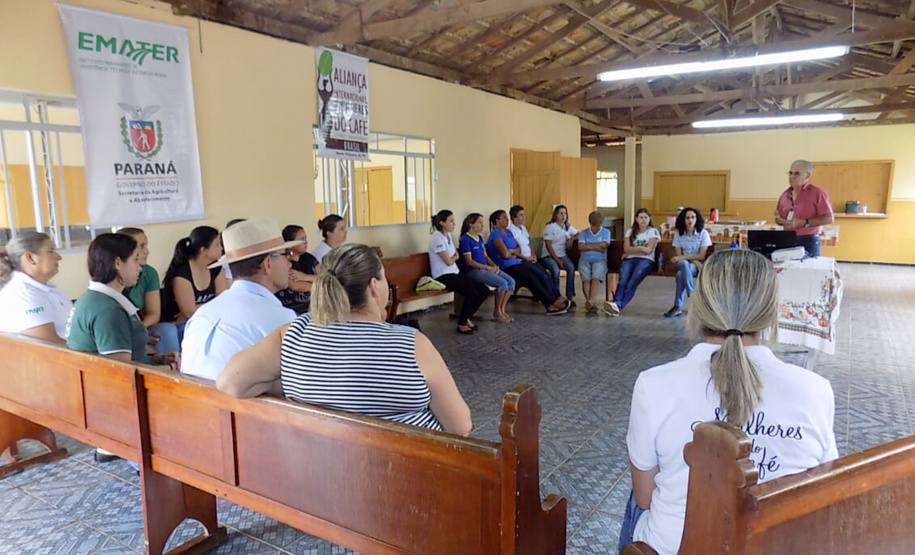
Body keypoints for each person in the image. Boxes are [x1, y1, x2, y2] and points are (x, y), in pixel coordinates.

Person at [620, 249, 838, 555]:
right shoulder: (815, 390)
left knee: (638, 496)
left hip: (677, 548)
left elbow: (645, 497)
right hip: (776, 546)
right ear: (770, 312)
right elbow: (823, 491)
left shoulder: (653, 384)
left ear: (700, 306)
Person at [216, 244, 472, 435]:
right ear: (374, 286)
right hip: (402, 479)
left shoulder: (293, 333)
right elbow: (460, 426)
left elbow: (229, 382)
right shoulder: (412, 345)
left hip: (321, 478)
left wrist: (295, 383)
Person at [68, 233, 179, 464]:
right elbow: (120, 374)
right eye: (135, 260)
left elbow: (125, 355)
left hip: (98, 389)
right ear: (118, 263)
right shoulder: (107, 310)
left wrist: (158, 359)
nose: (140, 267)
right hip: (113, 403)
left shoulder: (97, 298)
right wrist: (170, 370)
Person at [181, 218, 300, 382]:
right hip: (239, 400)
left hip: (188, 397)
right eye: (286, 255)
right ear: (268, 264)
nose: (290, 263)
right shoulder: (281, 319)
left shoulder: (203, 313)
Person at [487, 210, 568, 316]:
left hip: (516, 262)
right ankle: (549, 304)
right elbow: (505, 255)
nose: (507, 220)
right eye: (504, 218)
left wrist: (512, 251)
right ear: (497, 221)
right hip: (506, 266)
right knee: (532, 278)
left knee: (540, 274)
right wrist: (513, 252)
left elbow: (519, 248)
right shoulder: (495, 234)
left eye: (507, 217)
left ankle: (555, 299)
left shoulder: (508, 232)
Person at [160, 226, 228, 342]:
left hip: (207, 320)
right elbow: (190, 313)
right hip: (180, 325)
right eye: (217, 244)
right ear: (204, 250)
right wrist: (213, 305)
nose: (221, 248)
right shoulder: (182, 273)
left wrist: (198, 307)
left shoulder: (216, 267)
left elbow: (224, 301)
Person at [0, 232, 71, 344]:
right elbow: (50, 345)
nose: (59, 257)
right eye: (50, 251)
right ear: (30, 258)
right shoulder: (23, 294)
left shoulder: (48, 288)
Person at [118, 227, 180, 353]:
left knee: (167, 330)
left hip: (141, 326)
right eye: (141, 246)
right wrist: (136, 335)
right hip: (119, 332)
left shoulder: (149, 273)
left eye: (146, 245)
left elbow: (154, 314)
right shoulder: (111, 277)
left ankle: (174, 362)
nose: (147, 251)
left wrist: (140, 330)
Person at [429, 210, 490, 334]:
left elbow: (454, 256)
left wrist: (454, 257)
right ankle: (462, 323)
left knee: (484, 290)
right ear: (442, 223)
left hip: (454, 272)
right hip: (443, 275)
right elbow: (448, 261)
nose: (454, 224)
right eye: (451, 221)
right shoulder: (437, 238)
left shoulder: (448, 236)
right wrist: (454, 257)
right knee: (471, 292)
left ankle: (466, 317)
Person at [460, 213, 515, 323]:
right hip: (475, 271)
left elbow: (485, 255)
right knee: (502, 283)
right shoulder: (465, 239)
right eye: (480, 223)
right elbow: (469, 262)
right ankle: (497, 312)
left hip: (485, 268)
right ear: (471, 224)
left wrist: (493, 265)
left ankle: (502, 310)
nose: (482, 225)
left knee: (511, 281)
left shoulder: (479, 238)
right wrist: (488, 268)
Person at [604, 209, 660, 316]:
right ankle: (616, 303)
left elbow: (648, 250)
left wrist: (633, 250)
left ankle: (618, 305)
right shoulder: (630, 231)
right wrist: (641, 249)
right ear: (636, 219)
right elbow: (626, 248)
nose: (643, 220)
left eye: (646, 217)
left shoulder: (652, 232)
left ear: (649, 219)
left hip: (646, 260)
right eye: (641, 217)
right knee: (623, 281)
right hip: (630, 259)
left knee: (632, 283)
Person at [774, 160, 834, 257]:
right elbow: (778, 217)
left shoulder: (818, 193)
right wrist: (779, 221)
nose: (792, 176)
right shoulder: (785, 194)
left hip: (808, 240)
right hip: (787, 239)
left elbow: (829, 218)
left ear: (807, 175)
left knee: (809, 266)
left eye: (797, 173)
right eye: (790, 173)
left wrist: (804, 222)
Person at [664, 208, 712, 318]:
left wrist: (686, 258)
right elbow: (679, 258)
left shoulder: (703, 233)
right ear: (683, 220)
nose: (690, 220)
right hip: (684, 264)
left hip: (694, 266)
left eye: (693, 217)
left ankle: (677, 306)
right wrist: (690, 259)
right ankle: (692, 296)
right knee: (684, 264)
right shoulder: (678, 234)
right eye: (687, 218)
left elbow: (701, 256)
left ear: (697, 219)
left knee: (680, 274)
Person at [508, 205, 560, 299]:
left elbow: (528, 244)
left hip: (531, 258)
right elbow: (514, 250)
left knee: (546, 275)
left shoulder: (523, 228)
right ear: (514, 217)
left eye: (524, 214)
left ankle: (558, 296)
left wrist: (533, 254)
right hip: (522, 261)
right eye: (521, 215)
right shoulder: (510, 231)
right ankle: (551, 298)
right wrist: (526, 258)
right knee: (541, 276)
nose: (523, 217)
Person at [275, 224, 321, 314]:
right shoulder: (284, 261)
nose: (306, 242)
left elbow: (325, 277)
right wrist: (320, 285)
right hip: (291, 310)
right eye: (301, 239)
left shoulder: (309, 258)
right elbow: (296, 286)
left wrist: (305, 277)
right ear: (290, 244)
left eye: (305, 238)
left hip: (312, 308)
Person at [539, 204, 579, 303]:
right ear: (555, 215)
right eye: (561, 213)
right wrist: (557, 260)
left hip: (562, 254)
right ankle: (556, 295)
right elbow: (548, 246)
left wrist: (572, 239)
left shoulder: (567, 227)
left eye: (565, 213)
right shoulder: (550, 227)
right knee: (555, 270)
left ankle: (570, 295)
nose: (563, 216)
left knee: (571, 268)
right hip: (549, 255)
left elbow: (579, 233)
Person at [577, 211, 611, 314]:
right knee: (586, 279)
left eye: (597, 226)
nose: (595, 228)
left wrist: (588, 246)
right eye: (593, 225)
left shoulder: (606, 232)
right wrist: (597, 246)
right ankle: (590, 303)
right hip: (584, 259)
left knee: (596, 278)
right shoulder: (584, 232)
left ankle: (590, 301)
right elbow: (580, 246)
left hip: (600, 259)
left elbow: (604, 246)